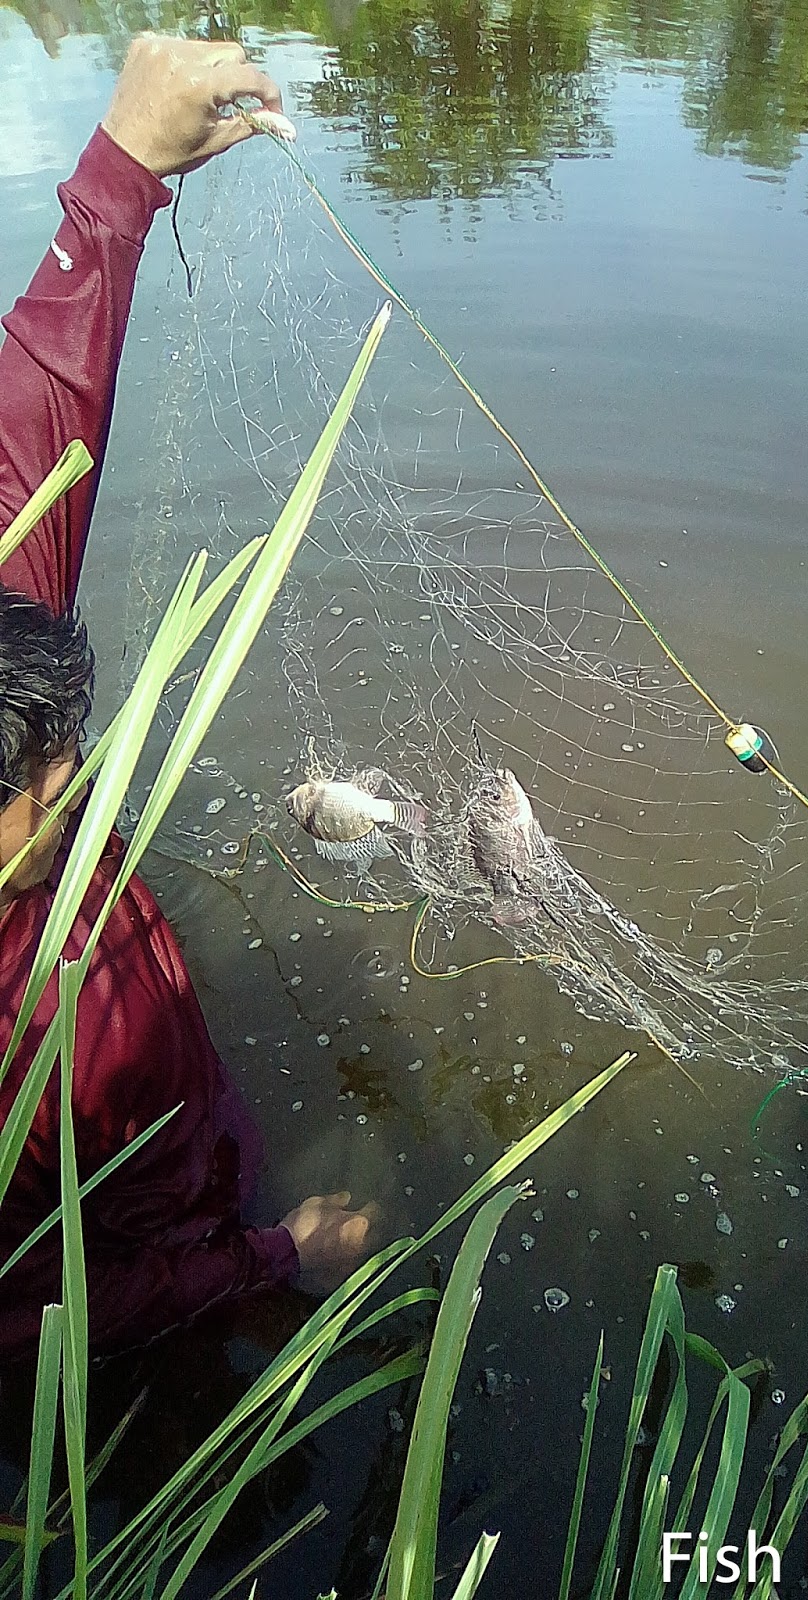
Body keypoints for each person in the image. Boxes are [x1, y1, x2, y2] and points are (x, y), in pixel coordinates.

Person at [0, 36, 375, 1363]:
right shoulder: (25, 1040)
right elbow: (23, 1326)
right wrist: (274, 1260)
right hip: (141, 1274)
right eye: (39, 790)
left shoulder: (5, 645)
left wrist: (121, 173)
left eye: (62, 750)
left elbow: (32, 433)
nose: (79, 782)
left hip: (180, 1115)